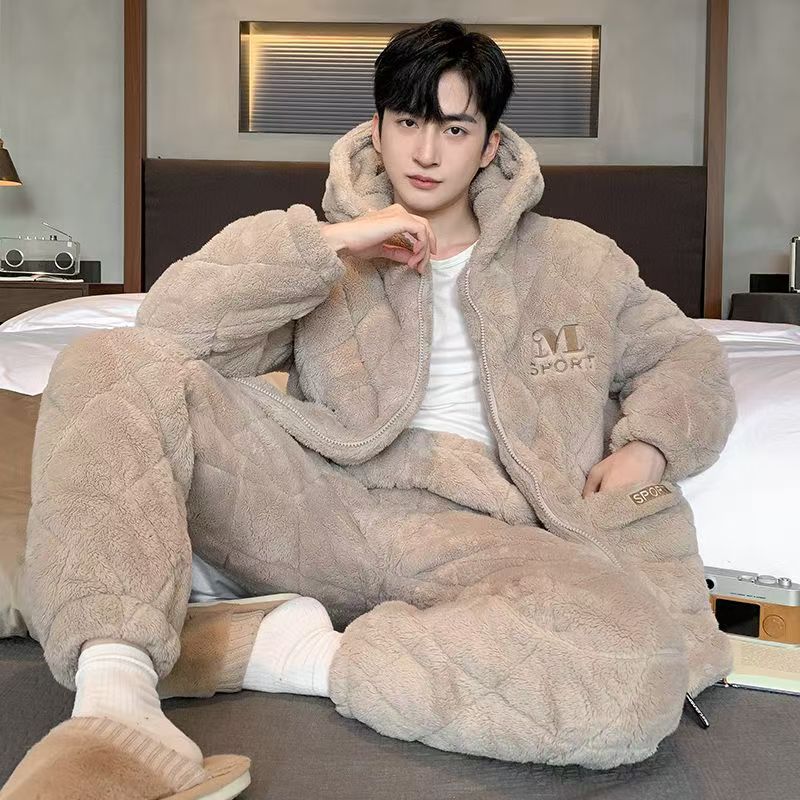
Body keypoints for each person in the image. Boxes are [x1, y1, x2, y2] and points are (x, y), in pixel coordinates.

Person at [2, 18, 736, 800]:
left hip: (486, 534)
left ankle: (276, 650)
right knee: (105, 361)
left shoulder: (577, 261)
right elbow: (168, 330)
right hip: (316, 503)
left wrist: (648, 448)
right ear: (378, 129)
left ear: (489, 144)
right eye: (409, 123)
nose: (427, 152)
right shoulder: (329, 248)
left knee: (638, 671)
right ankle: (115, 705)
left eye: (454, 129)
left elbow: (688, 359)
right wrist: (333, 244)